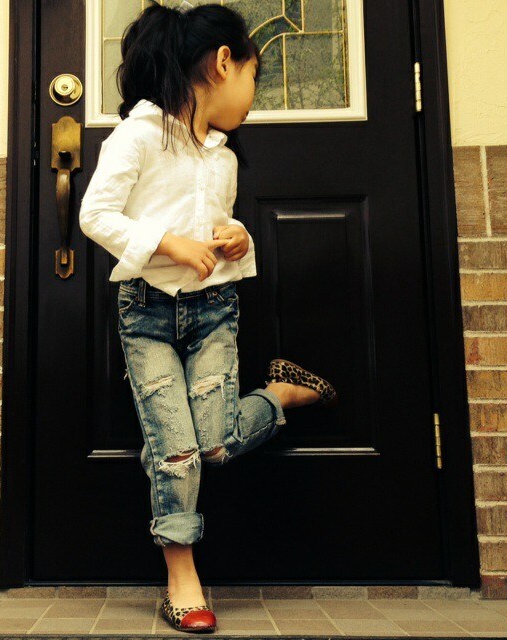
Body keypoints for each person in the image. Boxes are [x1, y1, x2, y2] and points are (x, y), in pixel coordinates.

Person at [78, 0, 338, 633]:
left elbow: (219, 225)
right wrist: (168, 244)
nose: (254, 96)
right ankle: (182, 578)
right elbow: (95, 215)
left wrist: (237, 236)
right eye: (253, 76)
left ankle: (279, 393)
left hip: (215, 309)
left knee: (216, 442)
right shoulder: (140, 134)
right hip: (147, 313)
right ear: (224, 63)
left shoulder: (223, 155)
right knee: (175, 449)